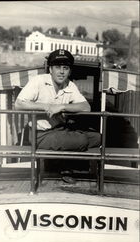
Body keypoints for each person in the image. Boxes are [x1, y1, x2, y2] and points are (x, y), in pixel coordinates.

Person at [15, 49, 101, 183]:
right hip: (40, 134)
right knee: (81, 141)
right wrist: (46, 106)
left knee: (98, 137)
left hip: (60, 130)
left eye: (65, 68)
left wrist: (62, 106)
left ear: (69, 71)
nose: (61, 71)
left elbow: (86, 107)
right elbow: (19, 104)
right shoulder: (38, 81)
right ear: (50, 69)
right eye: (57, 67)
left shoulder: (70, 85)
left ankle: (63, 160)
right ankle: (65, 166)